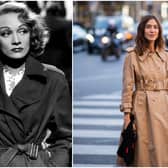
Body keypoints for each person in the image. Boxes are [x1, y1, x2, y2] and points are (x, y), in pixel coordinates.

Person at [0, 2, 71, 167]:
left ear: (32, 34)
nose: (16, 40)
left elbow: (65, 138)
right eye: (5, 33)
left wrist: (52, 164)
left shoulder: (53, 79)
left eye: (22, 31)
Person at [118, 15, 168, 166]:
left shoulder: (165, 56)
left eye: (155, 27)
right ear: (142, 30)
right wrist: (127, 117)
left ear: (159, 30)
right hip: (141, 108)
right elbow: (127, 87)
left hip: (164, 107)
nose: (152, 30)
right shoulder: (132, 56)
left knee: (162, 150)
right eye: (148, 27)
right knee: (143, 152)